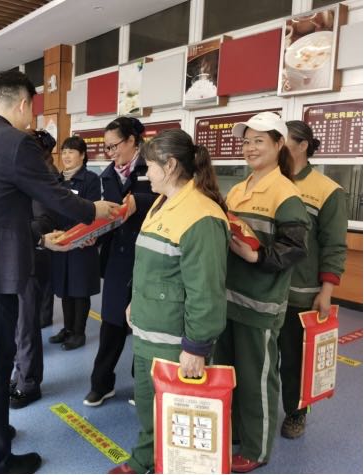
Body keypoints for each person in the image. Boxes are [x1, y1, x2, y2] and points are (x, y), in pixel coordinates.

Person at [0, 69, 119, 474]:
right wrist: (95, 210)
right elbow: (54, 196)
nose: (31, 118)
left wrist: (40, 239)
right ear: (22, 104)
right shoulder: (16, 142)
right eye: (31, 109)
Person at [110, 129, 230, 474]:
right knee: (148, 402)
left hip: (175, 341)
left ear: (171, 165)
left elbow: (206, 290)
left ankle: (167, 464)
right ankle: (146, 457)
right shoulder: (162, 204)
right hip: (149, 329)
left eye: (150, 166)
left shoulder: (202, 216)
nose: (146, 173)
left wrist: (197, 346)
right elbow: (150, 266)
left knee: (176, 411)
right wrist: (134, 302)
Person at [213, 112, 310, 473]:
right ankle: (239, 432)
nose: (249, 148)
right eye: (246, 141)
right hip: (228, 299)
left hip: (260, 304)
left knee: (256, 379)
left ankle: (257, 449)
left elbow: (295, 247)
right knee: (230, 373)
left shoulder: (285, 192)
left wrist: (257, 256)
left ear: (279, 144)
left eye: (258, 141)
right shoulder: (240, 188)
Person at [278, 120, 347, 439]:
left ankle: (296, 413)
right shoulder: (269, 181)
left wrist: (327, 290)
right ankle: (256, 413)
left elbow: (334, 244)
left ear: (303, 145)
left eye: (283, 139)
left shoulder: (327, 191)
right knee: (259, 359)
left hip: (301, 292)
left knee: (294, 361)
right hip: (263, 290)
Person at [84, 116, 157, 407]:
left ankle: (143, 387)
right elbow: (107, 219)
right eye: (107, 148)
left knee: (144, 325)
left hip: (148, 257)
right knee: (111, 323)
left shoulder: (153, 167)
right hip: (117, 258)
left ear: (132, 141)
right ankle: (101, 384)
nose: (111, 153)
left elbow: (168, 200)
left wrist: (140, 201)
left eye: (115, 146)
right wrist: (92, 237)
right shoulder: (107, 175)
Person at [10, 129, 59, 410]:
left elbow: (45, 220)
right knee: (16, 326)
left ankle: (28, 382)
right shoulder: (21, 174)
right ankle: (19, 374)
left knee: (25, 326)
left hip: (30, 260)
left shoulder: (41, 177)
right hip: (14, 259)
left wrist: (13, 230)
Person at [48, 136, 101, 351]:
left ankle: (79, 332)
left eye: (71, 151)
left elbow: (93, 211)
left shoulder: (90, 180)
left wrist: (80, 235)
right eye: (64, 151)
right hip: (61, 241)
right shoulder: (57, 180)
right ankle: (68, 329)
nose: (66, 156)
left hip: (82, 242)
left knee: (80, 289)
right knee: (65, 288)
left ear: (82, 155)